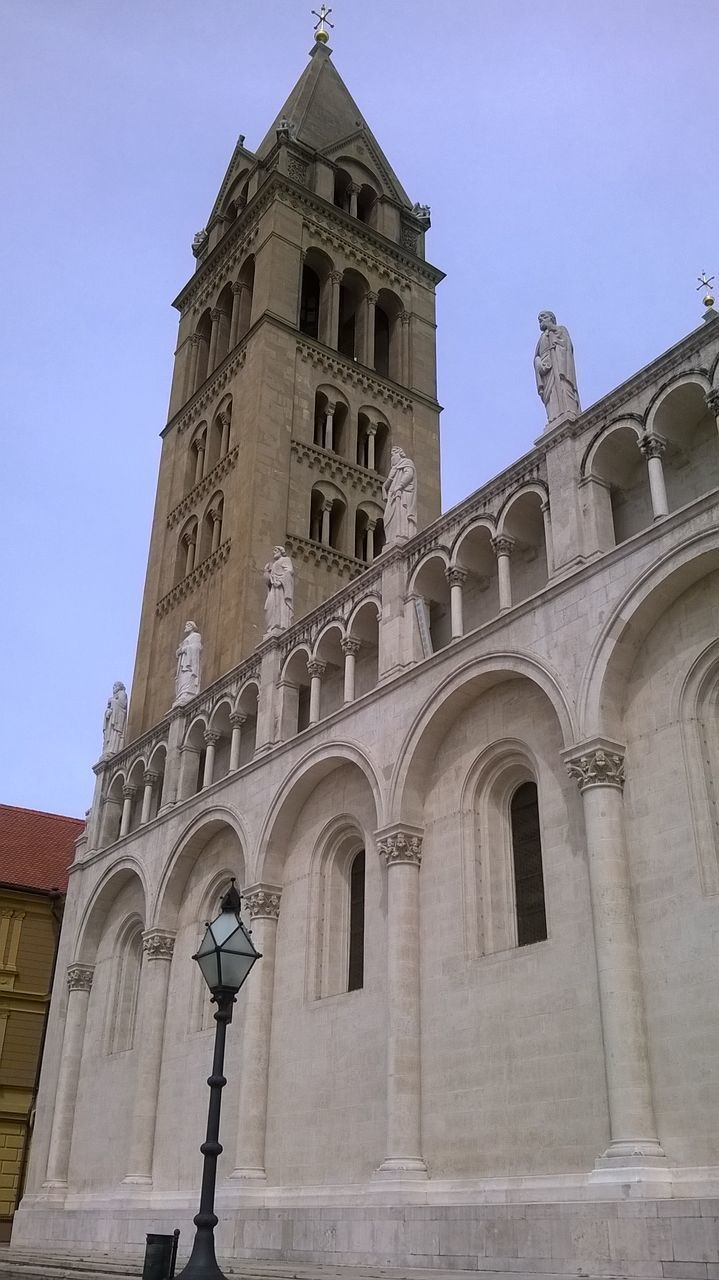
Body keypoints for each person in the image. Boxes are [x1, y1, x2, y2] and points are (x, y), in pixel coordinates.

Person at [534, 311, 581, 423]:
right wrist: (538, 362)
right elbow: (537, 355)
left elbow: (566, 346)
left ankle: (568, 410)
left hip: (559, 364)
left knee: (562, 386)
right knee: (551, 394)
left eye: (544, 317)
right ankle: (553, 417)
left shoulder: (560, 329)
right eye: (539, 320)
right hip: (546, 370)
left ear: (551, 319)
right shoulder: (541, 338)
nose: (541, 320)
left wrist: (553, 330)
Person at [383, 446, 417, 545]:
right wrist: (388, 480)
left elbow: (409, 474)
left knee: (401, 514)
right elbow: (387, 484)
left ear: (399, 454)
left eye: (393, 455)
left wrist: (400, 485)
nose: (391, 459)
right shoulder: (394, 469)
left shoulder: (407, 463)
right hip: (393, 496)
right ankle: (391, 538)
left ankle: (402, 534)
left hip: (402, 496)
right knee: (387, 517)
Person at [263, 546, 294, 636]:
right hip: (274, 589)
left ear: (281, 551)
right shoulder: (274, 564)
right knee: (269, 607)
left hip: (281, 589)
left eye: (276, 550)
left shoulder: (285, 559)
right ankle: (272, 626)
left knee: (280, 606)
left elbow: (290, 571)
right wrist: (266, 571)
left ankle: (280, 625)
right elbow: (269, 581)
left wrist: (280, 581)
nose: (274, 552)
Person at [173, 621, 202, 706]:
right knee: (182, 679)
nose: (186, 626)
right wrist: (179, 651)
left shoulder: (196, 636)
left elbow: (197, 647)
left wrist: (184, 649)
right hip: (183, 662)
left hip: (189, 663)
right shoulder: (188, 638)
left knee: (188, 677)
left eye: (188, 625)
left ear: (192, 627)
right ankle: (182, 694)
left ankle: (188, 693)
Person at [101, 682, 127, 757]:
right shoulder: (114, 696)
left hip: (117, 720)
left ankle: (113, 750)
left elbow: (122, 705)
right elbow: (110, 707)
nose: (114, 687)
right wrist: (108, 712)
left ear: (120, 686)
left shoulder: (122, 693)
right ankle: (108, 749)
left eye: (116, 686)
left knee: (115, 735)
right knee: (110, 735)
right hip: (112, 720)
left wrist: (112, 701)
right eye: (113, 686)